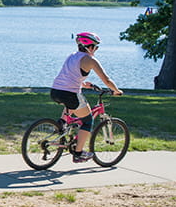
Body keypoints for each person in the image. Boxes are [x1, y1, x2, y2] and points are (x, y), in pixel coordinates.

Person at [50, 32, 123, 163]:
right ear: (89, 46)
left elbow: (69, 76)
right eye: (95, 46)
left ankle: (62, 124)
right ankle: (78, 153)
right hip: (70, 94)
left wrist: (83, 84)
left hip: (56, 91)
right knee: (88, 120)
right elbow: (106, 80)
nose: (96, 49)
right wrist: (116, 90)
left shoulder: (72, 56)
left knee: (73, 105)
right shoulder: (90, 60)